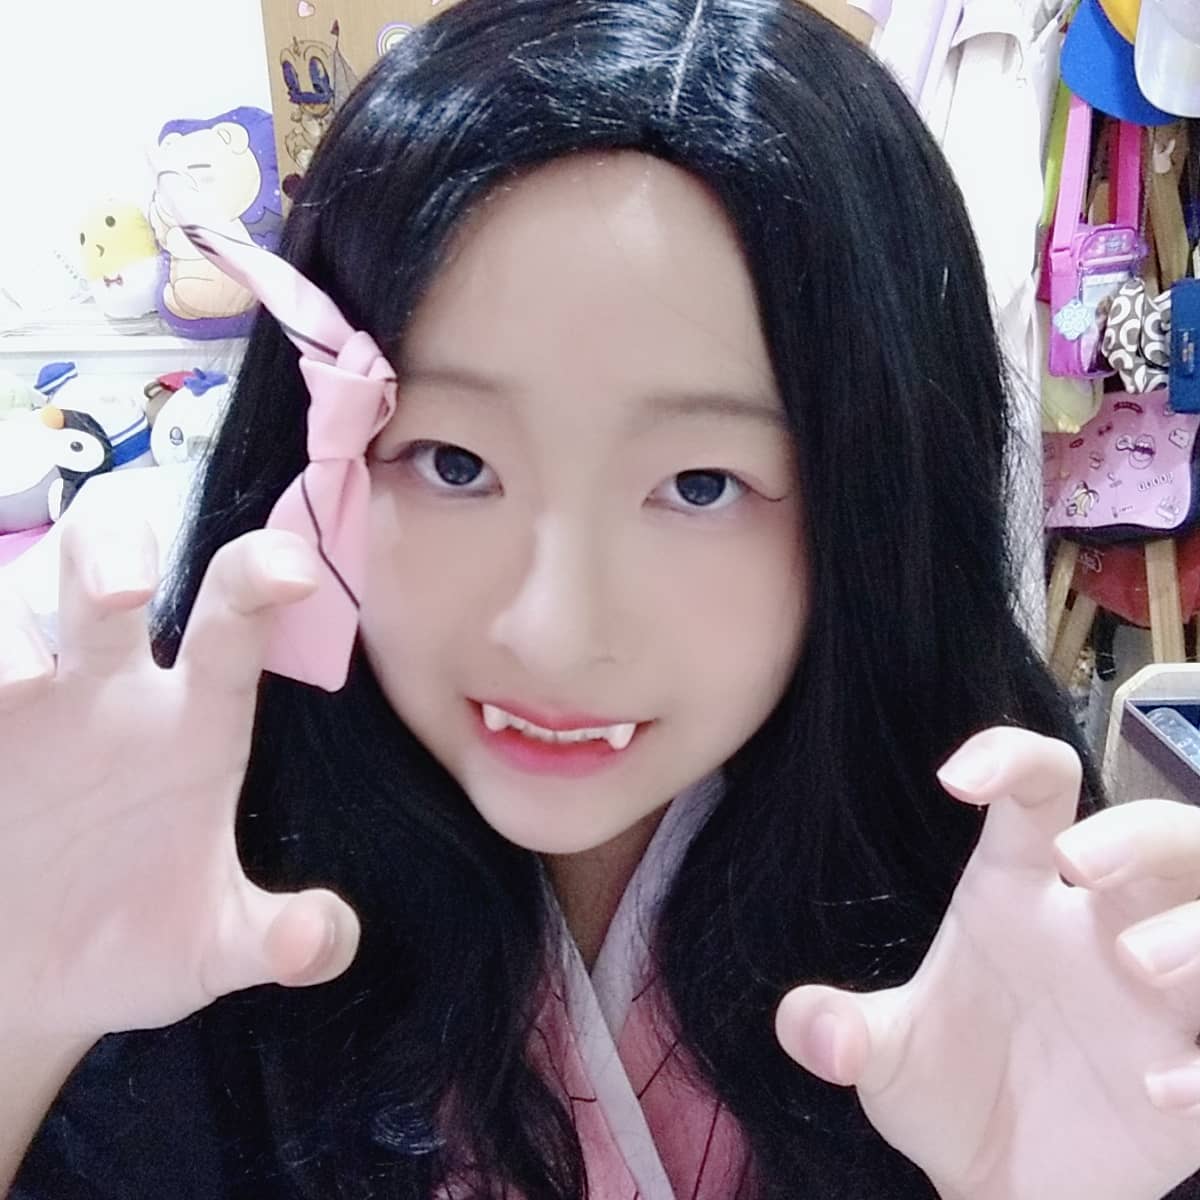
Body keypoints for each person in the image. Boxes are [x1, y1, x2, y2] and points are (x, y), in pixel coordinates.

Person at [3, 0, 1200, 1196]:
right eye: (453, 462)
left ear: (878, 502)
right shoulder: (184, 878)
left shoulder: (1006, 930)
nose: (553, 632)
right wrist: (19, 1018)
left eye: (700, 485)